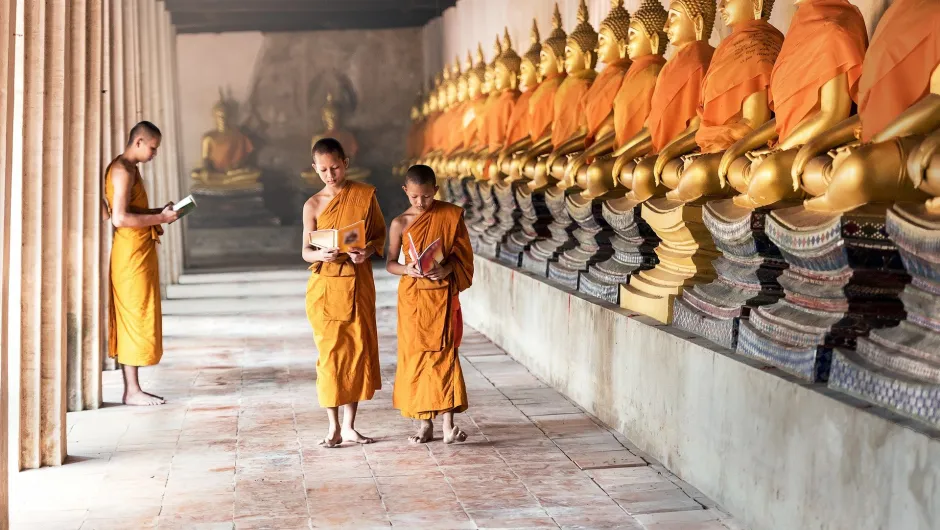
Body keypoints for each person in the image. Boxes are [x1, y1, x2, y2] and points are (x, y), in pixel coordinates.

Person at [302, 137, 387, 448]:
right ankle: (332, 427)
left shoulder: (364, 195)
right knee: (330, 357)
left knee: (355, 352)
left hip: (358, 282)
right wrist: (321, 255)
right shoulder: (312, 205)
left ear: (346, 163)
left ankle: (350, 426)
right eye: (323, 170)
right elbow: (305, 251)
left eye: (335, 167)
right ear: (314, 169)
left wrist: (366, 251)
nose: (330, 175)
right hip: (326, 288)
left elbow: (378, 236)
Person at [386, 164, 474, 444]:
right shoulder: (400, 223)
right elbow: (389, 264)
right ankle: (425, 424)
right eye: (414, 197)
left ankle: (448, 425)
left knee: (444, 355)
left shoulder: (450, 215)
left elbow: (463, 258)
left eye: (426, 196)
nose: (421, 203)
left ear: (435, 190)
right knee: (415, 359)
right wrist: (408, 269)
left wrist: (446, 270)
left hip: (441, 295)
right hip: (413, 298)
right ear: (405, 192)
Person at [103, 121, 180, 406]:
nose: (154, 154)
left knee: (140, 312)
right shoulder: (122, 170)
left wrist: (160, 211)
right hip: (129, 252)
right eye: (153, 148)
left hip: (138, 249)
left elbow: (132, 210)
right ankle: (132, 390)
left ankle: (134, 388)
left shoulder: (131, 169)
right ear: (138, 142)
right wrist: (160, 219)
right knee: (133, 315)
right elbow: (120, 218)